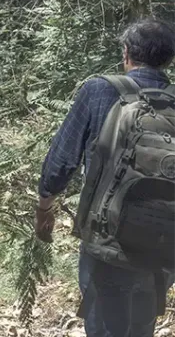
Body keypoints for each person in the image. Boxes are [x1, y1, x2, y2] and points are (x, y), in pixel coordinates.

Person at [36, 18, 175, 337]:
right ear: (168, 59)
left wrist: (45, 208)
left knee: (105, 326)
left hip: (108, 241)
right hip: (166, 241)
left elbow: (61, 162)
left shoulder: (99, 90)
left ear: (126, 53)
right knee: (142, 325)